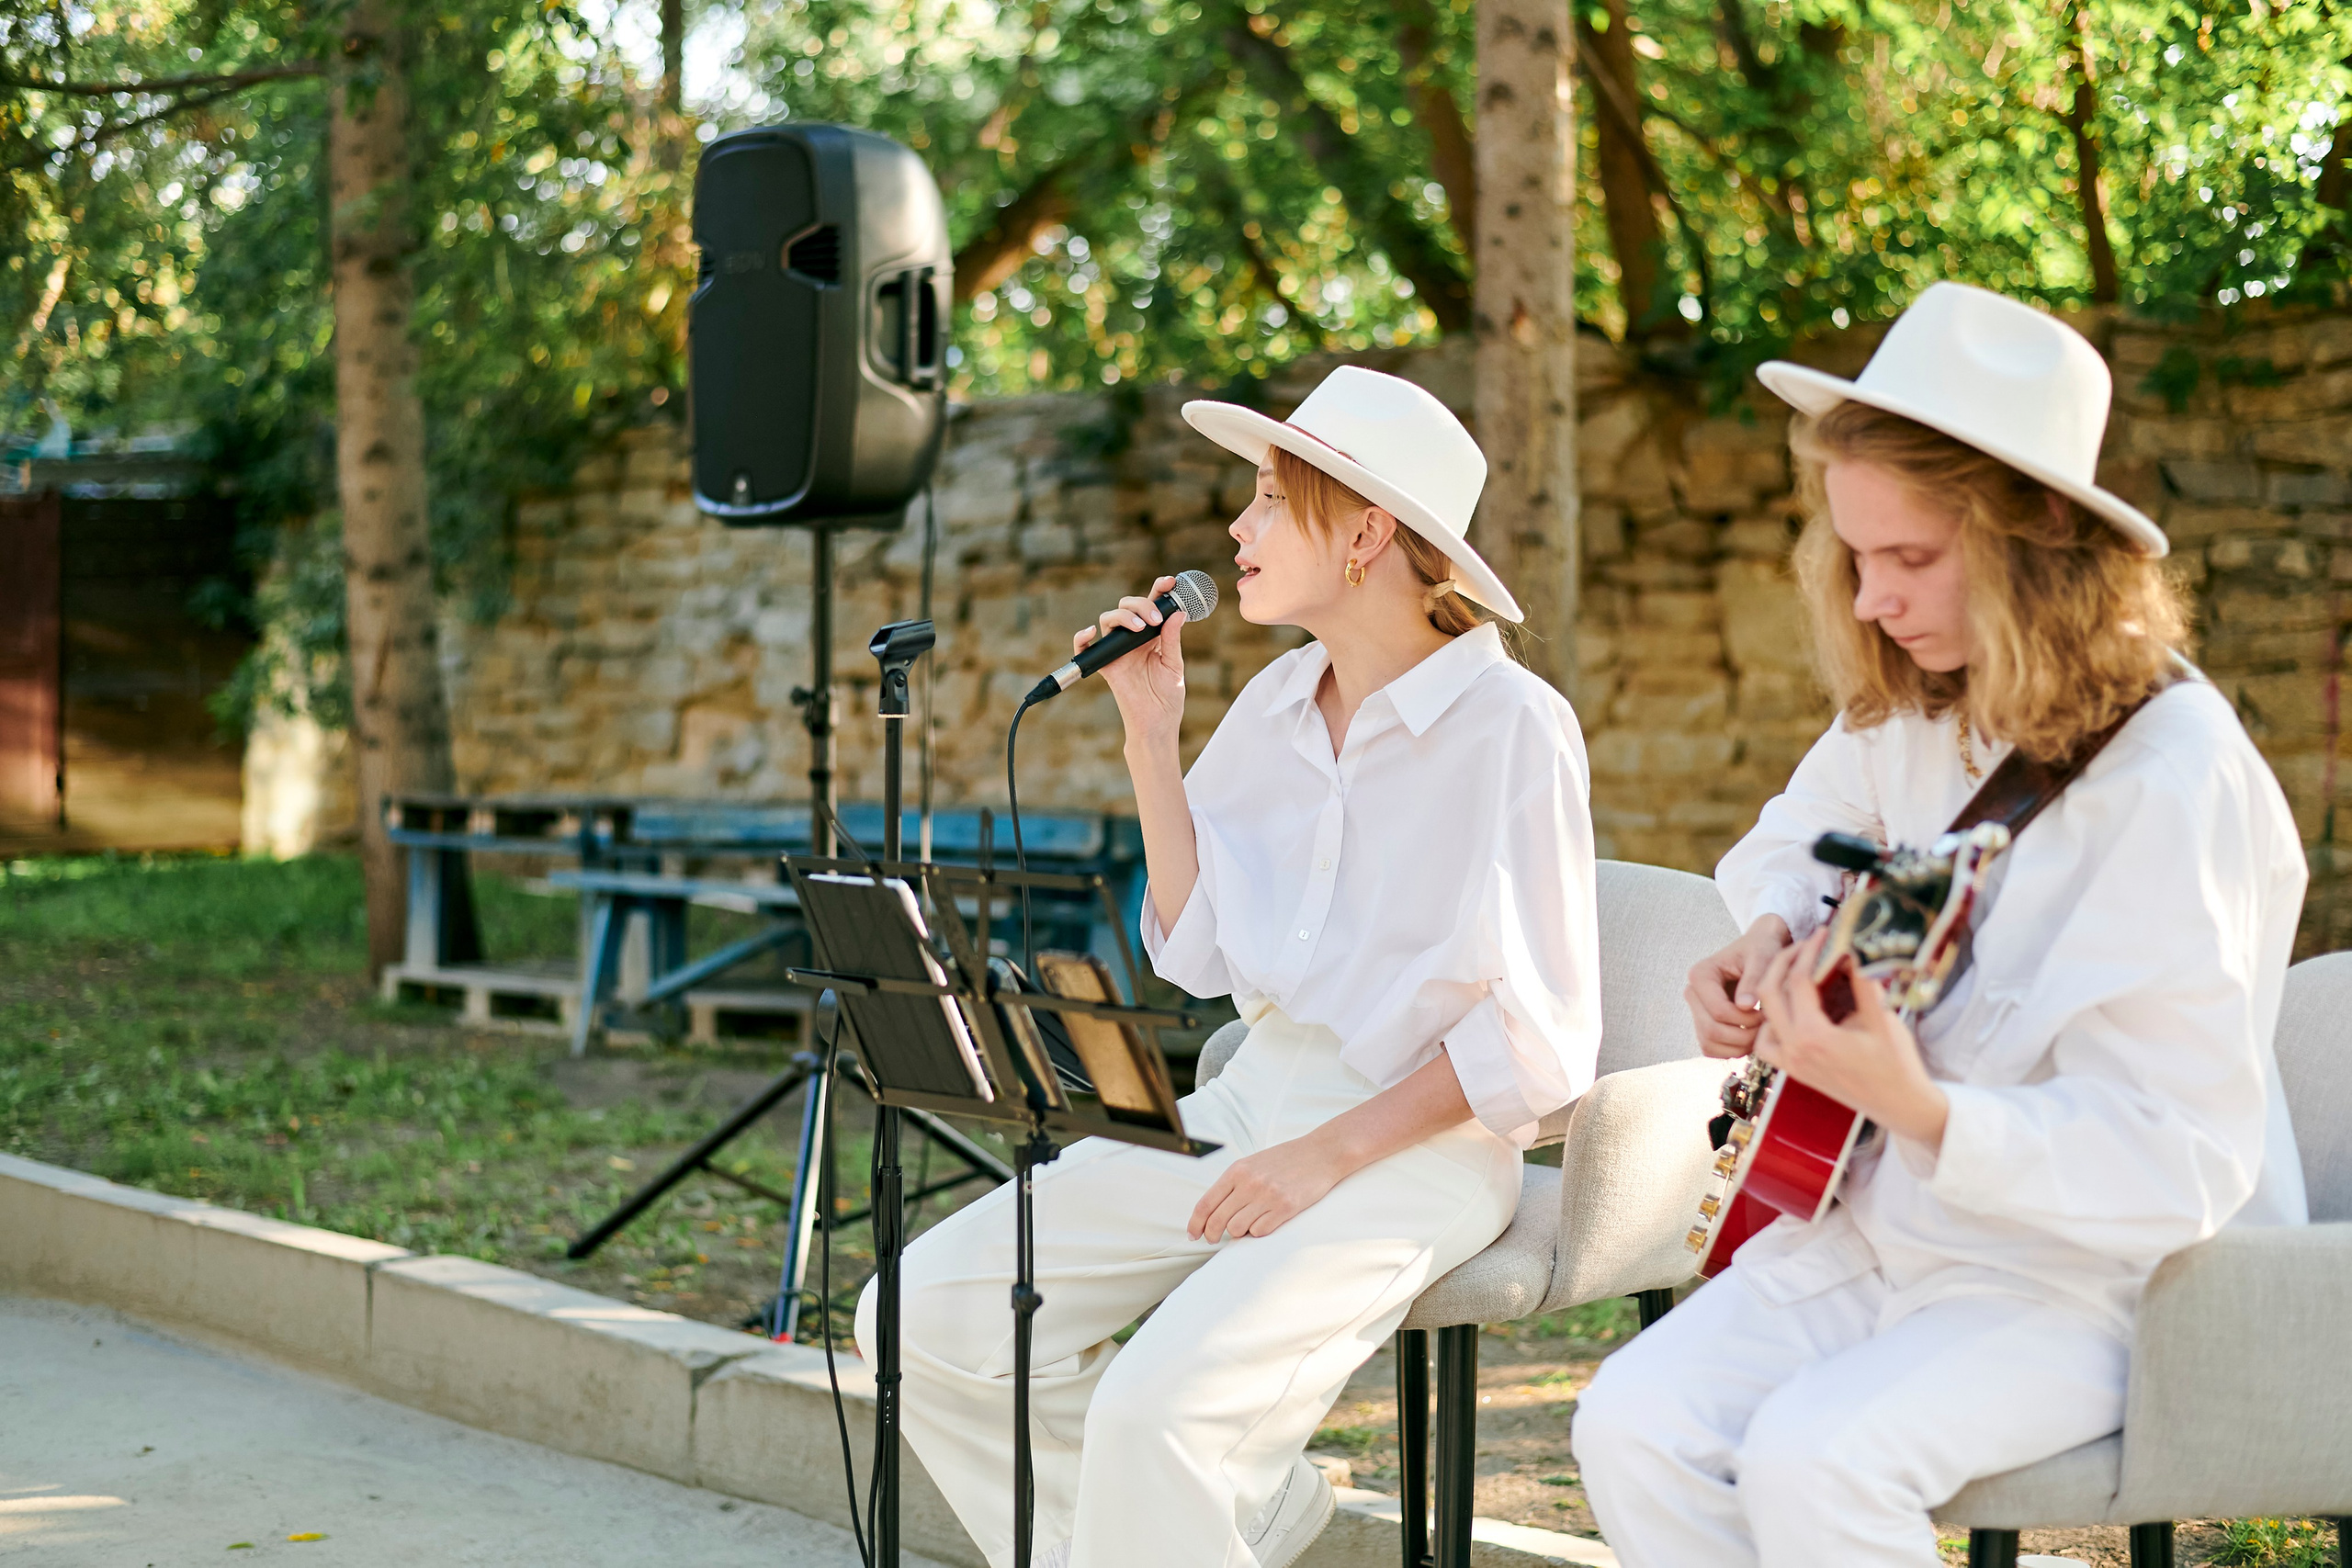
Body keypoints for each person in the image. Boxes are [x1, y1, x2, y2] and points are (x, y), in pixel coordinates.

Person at [1568, 281, 2311, 1567]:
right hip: (1882, 1227)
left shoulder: (2175, 782)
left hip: (2098, 1284)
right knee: (1632, 1419)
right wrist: (1765, 936)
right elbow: (1793, 836)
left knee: (1819, 1461)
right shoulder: (1919, 700)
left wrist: (1928, 1114)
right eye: (1856, 557)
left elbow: (2179, 1160)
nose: (1867, 602)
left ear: (2040, 546)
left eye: (1908, 559)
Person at [858, 366, 1603, 1568]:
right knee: (920, 1315)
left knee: (1160, 1416)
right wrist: (1152, 733)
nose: (1236, 528)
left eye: (1268, 496)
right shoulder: (1273, 704)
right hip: (1250, 1100)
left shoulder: (1513, 727)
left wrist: (1326, 1157)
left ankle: (1211, 1513)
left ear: (1365, 532)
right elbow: (1199, 952)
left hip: (1421, 1146)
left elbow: (1541, 1039)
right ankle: (1228, 1524)